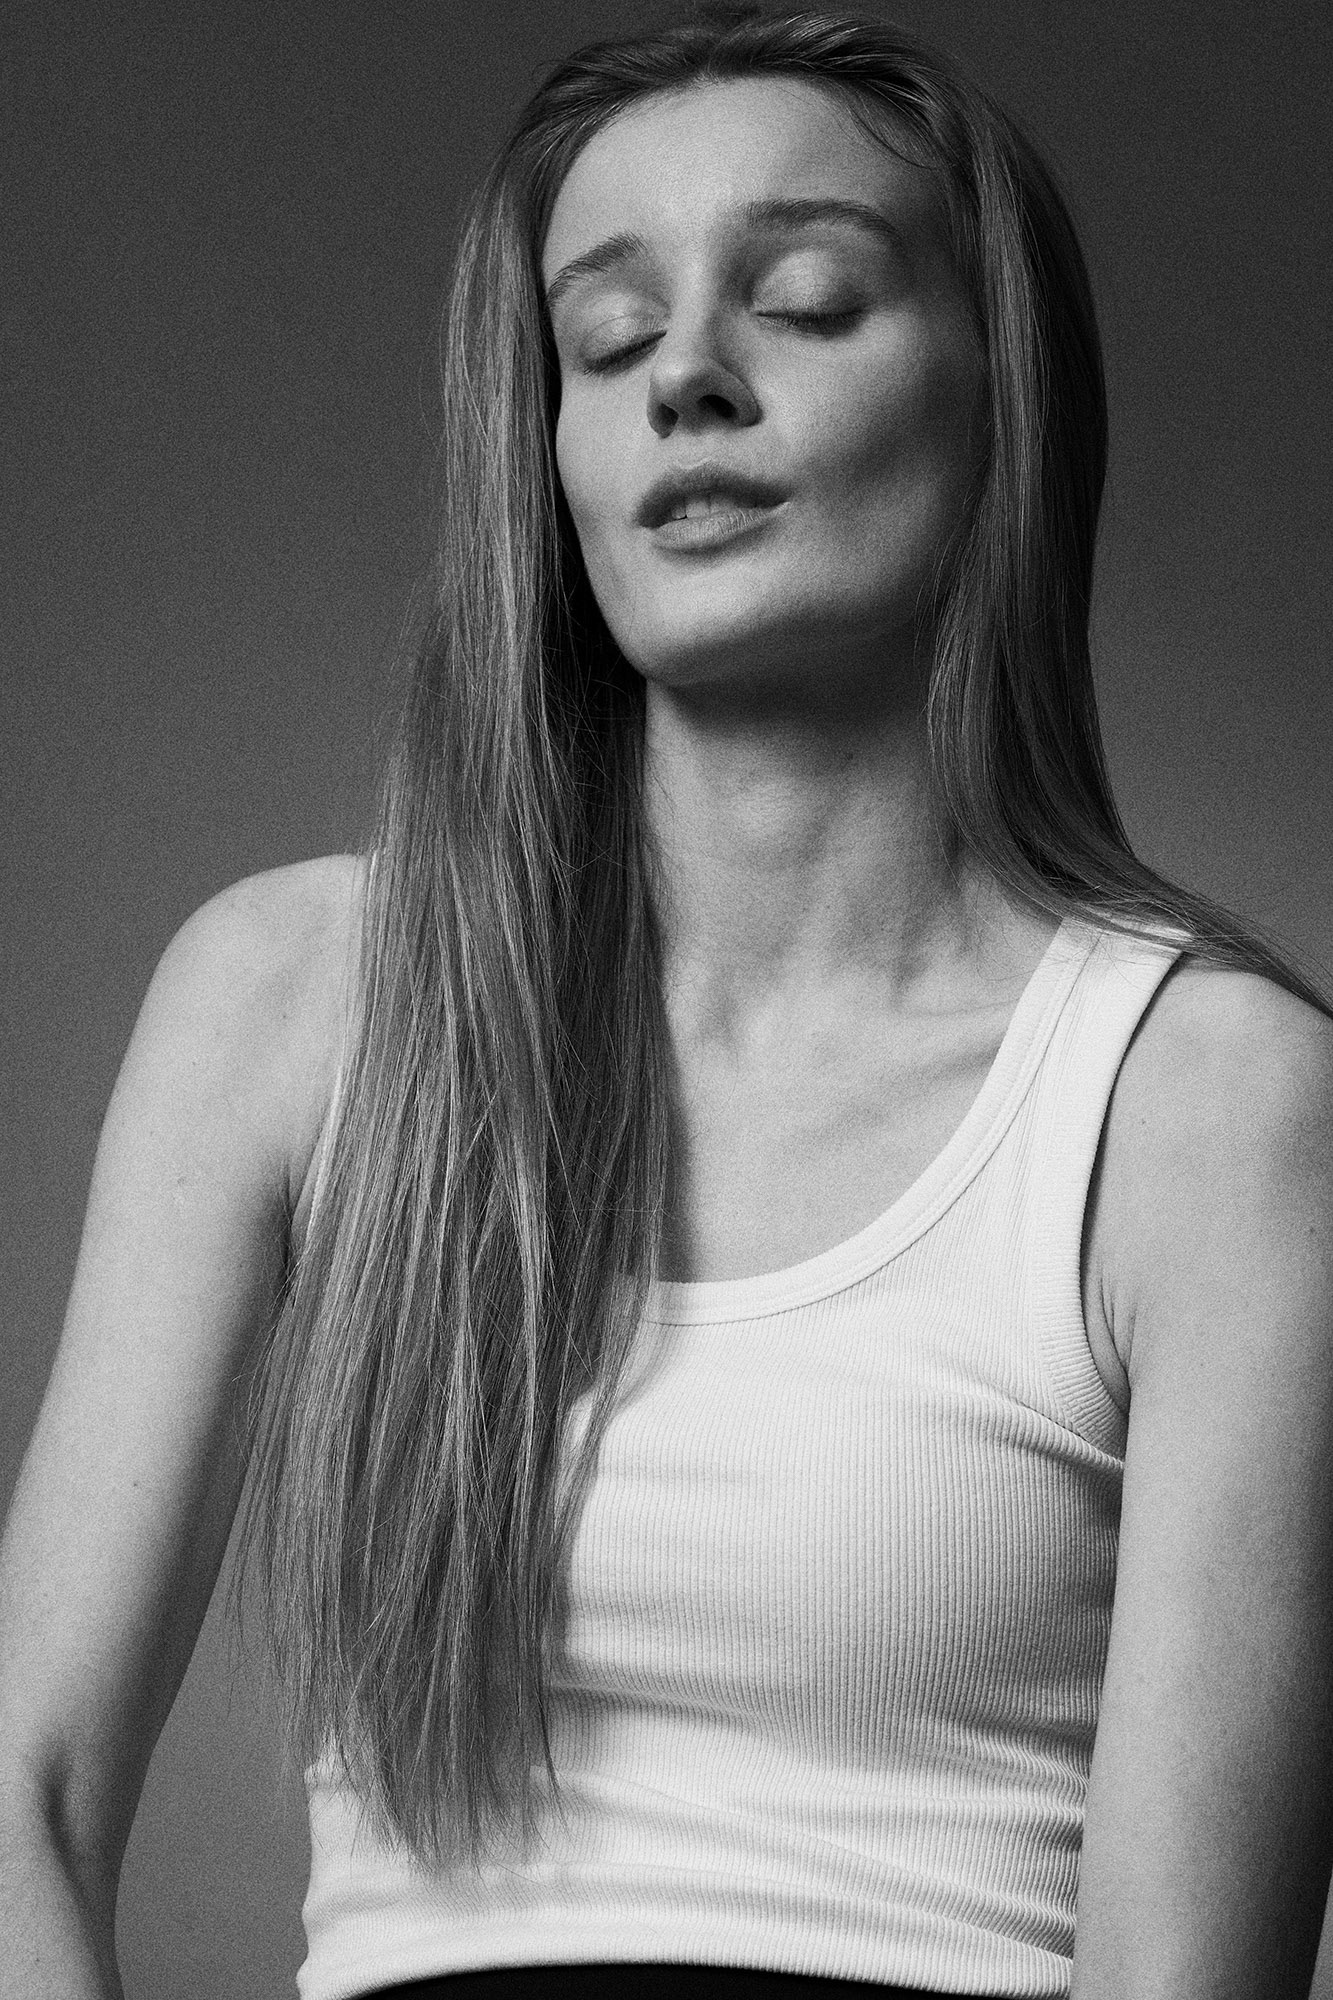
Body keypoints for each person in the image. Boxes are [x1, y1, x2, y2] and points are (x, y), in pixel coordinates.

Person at [2, 7, 1331, 1998]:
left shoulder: (1212, 1106)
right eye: (608, 339)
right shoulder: (292, 1001)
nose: (686, 377)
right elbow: (19, 1790)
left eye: (805, 303)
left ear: (1002, 397)